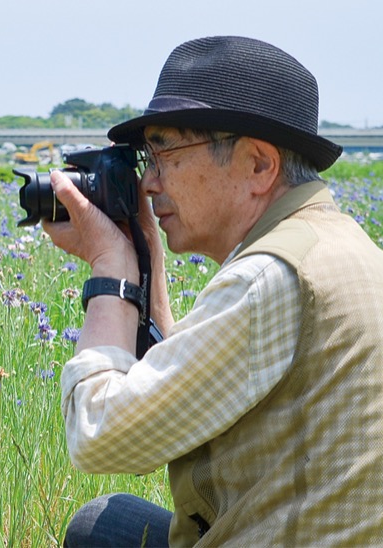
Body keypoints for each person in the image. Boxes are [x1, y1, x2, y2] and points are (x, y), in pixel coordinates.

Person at [43, 35, 383, 546]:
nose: (150, 183)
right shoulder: (337, 244)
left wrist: (109, 266)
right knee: (110, 525)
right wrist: (146, 257)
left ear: (258, 166)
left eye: (165, 152)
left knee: (99, 526)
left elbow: (100, 437)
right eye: (146, 160)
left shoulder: (268, 278)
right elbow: (181, 390)